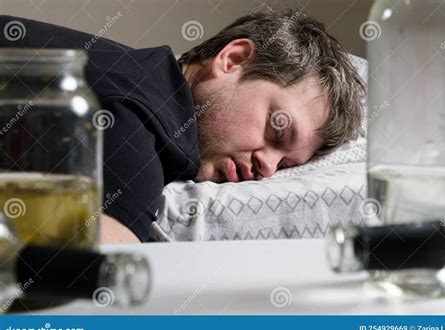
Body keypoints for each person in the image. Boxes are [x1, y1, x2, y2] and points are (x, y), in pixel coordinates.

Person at [0, 9, 365, 244]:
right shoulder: (143, 123)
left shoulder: (132, 71)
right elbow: (89, 281)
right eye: (276, 130)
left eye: (285, 164)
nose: (267, 168)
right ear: (232, 59)